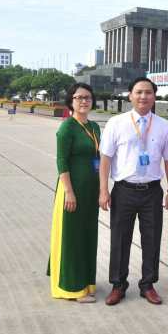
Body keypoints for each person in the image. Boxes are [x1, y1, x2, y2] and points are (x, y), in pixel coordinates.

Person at [98, 77, 168, 306]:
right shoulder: (116, 123)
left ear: (154, 96)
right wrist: (104, 190)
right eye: (139, 92)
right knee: (119, 239)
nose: (144, 96)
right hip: (124, 190)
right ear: (130, 95)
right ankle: (118, 286)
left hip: (152, 191)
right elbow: (105, 158)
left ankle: (148, 285)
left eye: (149, 92)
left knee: (152, 239)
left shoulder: (164, 126)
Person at [47, 83, 100, 303]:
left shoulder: (95, 126)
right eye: (79, 98)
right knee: (72, 237)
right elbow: (62, 161)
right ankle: (72, 288)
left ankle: (86, 282)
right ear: (71, 101)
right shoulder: (67, 127)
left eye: (88, 97)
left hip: (90, 190)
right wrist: (69, 191)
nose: (84, 101)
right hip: (72, 190)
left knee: (88, 235)